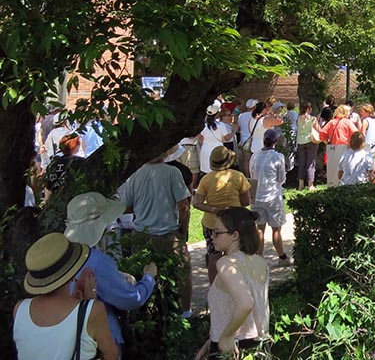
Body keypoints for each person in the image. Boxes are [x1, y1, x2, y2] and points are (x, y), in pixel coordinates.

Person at [63, 192, 158, 352]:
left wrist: (118, 276)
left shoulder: (63, 255)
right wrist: (149, 277)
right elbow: (130, 299)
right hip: (99, 339)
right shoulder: (95, 260)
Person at [14, 232, 119, 360]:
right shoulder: (94, 310)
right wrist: (88, 305)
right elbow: (112, 355)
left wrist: (82, 305)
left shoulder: (19, 309)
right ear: (72, 270)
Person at [117, 147, 192, 316]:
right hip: (167, 233)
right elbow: (184, 205)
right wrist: (183, 229)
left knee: (144, 272)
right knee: (183, 272)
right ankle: (185, 311)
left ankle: (146, 311)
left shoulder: (136, 175)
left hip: (141, 233)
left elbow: (126, 206)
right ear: (165, 153)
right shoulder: (172, 172)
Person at [205, 208, 269, 359]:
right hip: (260, 347)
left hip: (233, 349)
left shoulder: (226, 263)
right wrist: (212, 340)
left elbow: (246, 303)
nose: (212, 237)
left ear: (234, 235)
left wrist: (226, 336)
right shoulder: (260, 261)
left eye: (217, 232)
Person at [193, 146, 252, 283]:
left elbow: (196, 203)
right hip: (235, 221)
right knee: (237, 254)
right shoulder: (238, 176)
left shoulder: (206, 179)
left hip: (211, 224)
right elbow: (246, 201)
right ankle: (238, 284)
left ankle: (214, 287)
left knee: (214, 256)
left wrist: (213, 209)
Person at [249, 128, 289, 263]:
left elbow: (251, 173)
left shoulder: (254, 155)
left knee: (259, 228)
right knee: (276, 229)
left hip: (257, 196)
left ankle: (259, 257)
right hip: (273, 196)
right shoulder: (278, 157)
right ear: (275, 141)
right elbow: (281, 178)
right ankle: (282, 256)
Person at [319, 104, 358, 187]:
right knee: (345, 169)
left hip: (333, 148)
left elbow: (322, 134)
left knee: (333, 170)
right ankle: (344, 186)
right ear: (345, 113)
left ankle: (333, 186)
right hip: (345, 148)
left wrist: (327, 142)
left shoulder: (332, 122)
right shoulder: (347, 122)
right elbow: (356, 134)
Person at [198, 104, 233, 188]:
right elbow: (226, 138)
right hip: (218, 149)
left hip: (205, 150)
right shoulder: (221, 126)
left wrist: (204, 145)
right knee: (218, 171)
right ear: (217, 114)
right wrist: (234, 130)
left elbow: (200, 137)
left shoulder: (204, 126)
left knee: (206, 172)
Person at [295, 102, 321, 189]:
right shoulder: (312, 118)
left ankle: (300, 185)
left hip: (300, 141)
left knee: (301, 163)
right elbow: (318, 129)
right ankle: (310, 184)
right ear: (308, 109)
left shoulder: (298, 118)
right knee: (310, 162)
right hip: (310, 141)